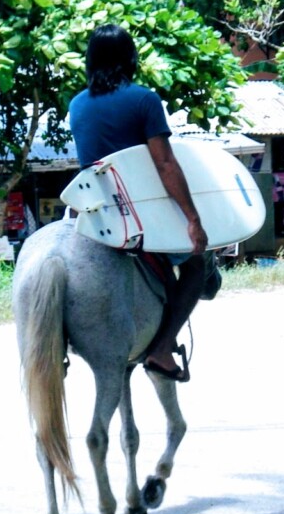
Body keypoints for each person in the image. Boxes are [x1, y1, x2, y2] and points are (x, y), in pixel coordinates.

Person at [69, 24, 208, 382]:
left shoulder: (77, 104)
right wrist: (192, 218)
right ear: (130, 59)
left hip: (95, 214)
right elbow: (164, 163)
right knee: (197, 264)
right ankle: (162, 349)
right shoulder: (144, 99)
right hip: (138, 215)